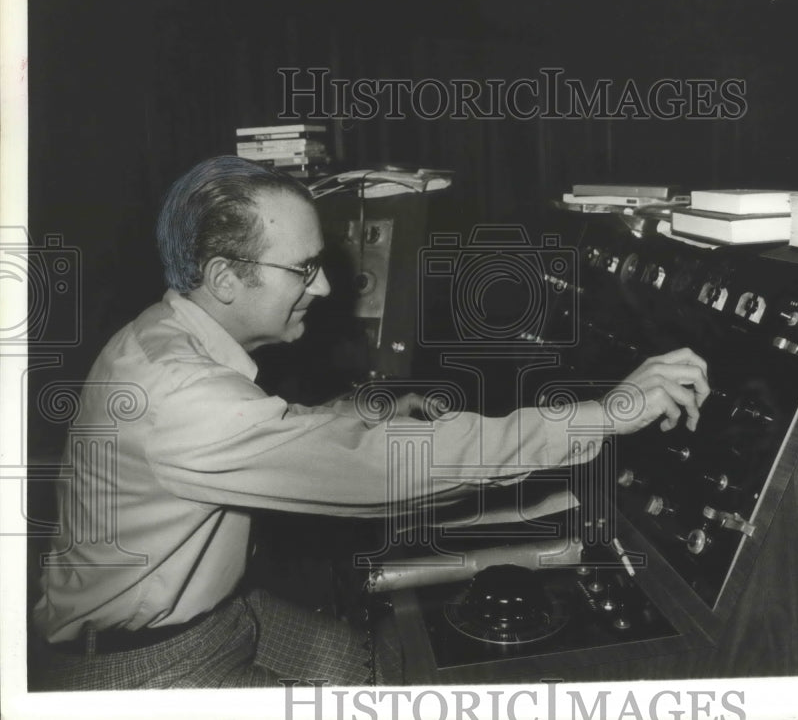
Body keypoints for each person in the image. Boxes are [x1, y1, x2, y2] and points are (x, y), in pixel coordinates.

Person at [32, 155, 709, 690]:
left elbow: (255, 433)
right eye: (304, 268)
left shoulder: (170, 336)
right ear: (224, 277)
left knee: (370, 659)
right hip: (140, 664)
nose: (324, 288)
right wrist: (609, 413)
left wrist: (346, 413)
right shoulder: (178, 393)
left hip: (215, 613)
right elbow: (391, 469)